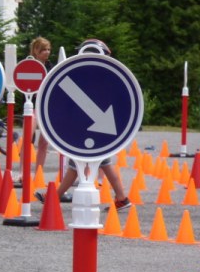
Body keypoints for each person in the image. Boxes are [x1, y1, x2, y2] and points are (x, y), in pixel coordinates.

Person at [33, 39, 132, 212]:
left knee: (78, 165)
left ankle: (53, 198)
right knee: (100, 164)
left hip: (92, 129)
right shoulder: (104, 76)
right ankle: (121, 198)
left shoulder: (93, 77)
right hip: (98, 129)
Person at [30, 37, 57, 180]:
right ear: (36, 51)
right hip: (31, 107)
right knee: (27, 139)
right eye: (43, 50)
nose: (47, 52)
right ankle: (22, 172)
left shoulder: (51, 67)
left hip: (46, 108)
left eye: (48, 49)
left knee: (44, 142)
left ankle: (38, 174)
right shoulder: (29, 65)